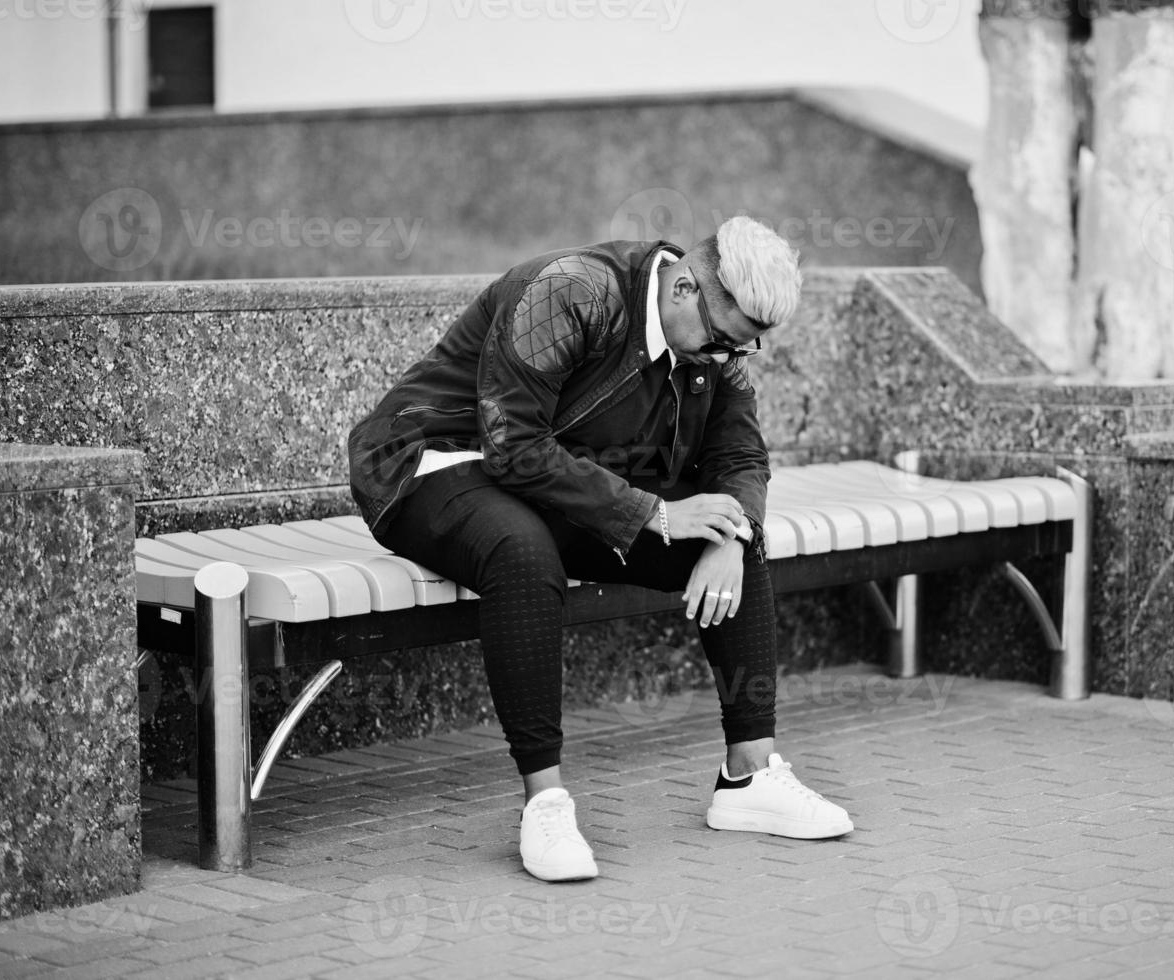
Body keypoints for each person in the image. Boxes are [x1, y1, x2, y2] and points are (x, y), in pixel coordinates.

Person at [348, 215, 852, 882]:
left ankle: (748, 776)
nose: (727, 361)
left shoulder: (714, 346)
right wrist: (655, 513)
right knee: (520, 552)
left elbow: (738, 456)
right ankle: (545, 803)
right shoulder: (571, 291)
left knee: (729, 541)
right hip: (430, 464)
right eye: (725, 343)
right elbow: (513, 446)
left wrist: (730, 535)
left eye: (742, 351)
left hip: (556, 480)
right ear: (684, 290)